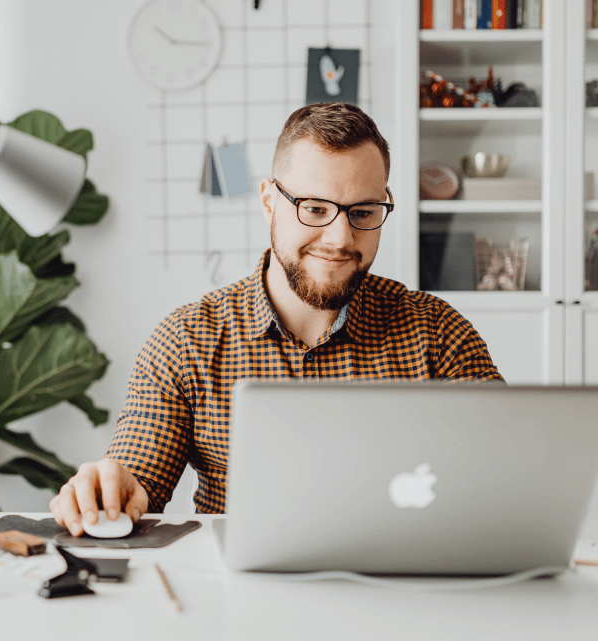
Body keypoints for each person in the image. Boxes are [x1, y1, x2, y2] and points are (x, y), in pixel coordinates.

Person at [50, 103, 503, 536]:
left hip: (402, 590)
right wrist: (112, 490)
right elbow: (138, 477)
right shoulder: (187, 339)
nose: (341, 238)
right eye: (315, 208)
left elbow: (510, 470)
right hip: (240, 600)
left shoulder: (438, 333)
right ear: (269, 201)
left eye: (363, 212)